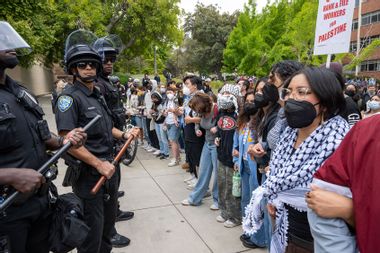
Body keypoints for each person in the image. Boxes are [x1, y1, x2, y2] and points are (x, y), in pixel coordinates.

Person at [0, 22, 87, 253]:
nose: (11, 46)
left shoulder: (19, 91)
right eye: (2, 43)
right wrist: (9, 175)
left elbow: (40, 134)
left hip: (40, 201)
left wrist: (63, 141)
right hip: (7, 212)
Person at [243, 67, 349, 253]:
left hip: (319, 243)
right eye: (288, 92)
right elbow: (280, 179)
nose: (292, 98)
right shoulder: (287, 135)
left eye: (301, 92)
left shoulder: (341, 143)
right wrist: (276, 198)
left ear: (324, 101)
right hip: (285, 234)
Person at [55, 30, 139, 253]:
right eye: (83, 64)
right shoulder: (69, 98)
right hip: (89, 175)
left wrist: (124, 135)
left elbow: (105, 126)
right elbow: (67, 140)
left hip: (108, 169)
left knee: (106, 232)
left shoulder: (97, 95)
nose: (89, 68)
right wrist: (97, 163)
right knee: (91, 237)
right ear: (73, 69)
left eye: (93, 64)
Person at [306, 114, 380, 253]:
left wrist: (353, 212)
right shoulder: (366, 132)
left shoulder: (338, 130)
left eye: (303, 91)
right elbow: (322, 199)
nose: (293, 98)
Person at [92, 35, 134, 247]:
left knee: (114, 185)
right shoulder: (96, 84)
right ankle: (110, 232)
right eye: (105, 59)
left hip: (114, 139)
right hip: (106, 142)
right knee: (107, 190)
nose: (109, 63)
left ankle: (114, 214)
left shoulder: (106, 82)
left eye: (112, 60)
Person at [181, 92, 219, 209]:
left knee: (218, 175)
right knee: (203, 172)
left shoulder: (217, 110)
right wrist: (196, 127)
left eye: (197, 109)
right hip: (207, 143)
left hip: (217, 145)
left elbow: (228, 124)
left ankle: (218, 201)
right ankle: (195, 198)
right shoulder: (201, 112)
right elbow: (199, 121)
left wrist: (217, 128)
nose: (197, 111)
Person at [215, 84, 242, 228]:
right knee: (222, 185)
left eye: (228, 93)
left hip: (233, 159)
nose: (225, 96)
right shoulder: (221, 112)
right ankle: (224, 211)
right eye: (223, 92)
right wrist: (217, 136)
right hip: (221, 155)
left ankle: (235, 216)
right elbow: (219, 127)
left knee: (233, 188)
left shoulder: (239, 114)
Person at [182, 75, 205, 187]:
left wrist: (191, 119)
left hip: (196, 130)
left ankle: (199, 180)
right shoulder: (189, 97)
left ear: (195, 85)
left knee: (196, 155)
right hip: (188, 127)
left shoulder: (200, 97)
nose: (185, 87)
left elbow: (203, 116)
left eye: (187, 84)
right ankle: (193, 175)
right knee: (190, 153)